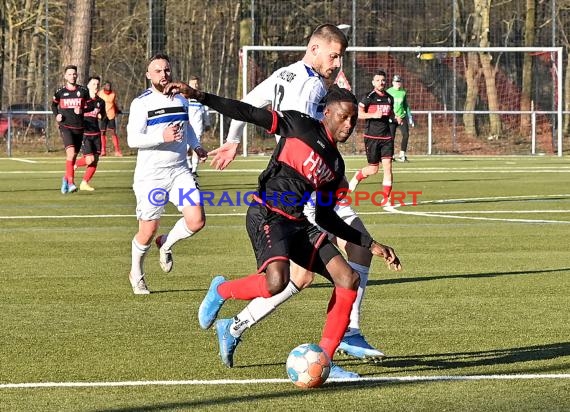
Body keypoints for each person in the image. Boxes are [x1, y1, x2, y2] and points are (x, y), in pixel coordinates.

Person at [166, 81, 402, 379]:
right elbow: (249, 112)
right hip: (267, 215)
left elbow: (327, 217)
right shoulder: (299, 124)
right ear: (327, 112)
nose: (349, 124)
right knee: (276, 282)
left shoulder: (335, 165)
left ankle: (324, 361)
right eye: (343, 116)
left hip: (299, 224)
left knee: (348, 278)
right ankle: (222, 290)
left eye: (354, 119)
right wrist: (200, 96)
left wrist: (370, 243)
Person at [208, 24, 386, 367]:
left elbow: (247, 104)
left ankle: (235, 325)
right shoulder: (308, 87)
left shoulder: (287, 74)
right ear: (315, 48)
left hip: (306, 179)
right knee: (349, 253)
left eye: (340, 57)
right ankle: (347, 332)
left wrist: (233, 140)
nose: (337, 63)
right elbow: (309, 133)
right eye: (334, 56)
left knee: (307, 274)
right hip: (306, 184)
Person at [126, 53, 208, 295]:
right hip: (151, 176)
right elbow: (132, 139)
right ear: (149, 75)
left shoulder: (181, 99)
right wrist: (161, 137)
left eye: (167, 70)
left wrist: (196, 145)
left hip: (179, 171)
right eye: (158, 71)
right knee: (147, 230)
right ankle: (136, 273)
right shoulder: (141, 103)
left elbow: (188, 127)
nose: (164, 75)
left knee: (197, 221)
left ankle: (166, 243)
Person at [348, 70, 398, 195]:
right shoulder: (368, 97)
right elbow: (359, 114)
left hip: (386, 137)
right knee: (373, 169)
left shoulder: (389, 98)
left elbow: (390, 113)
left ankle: (386, 198)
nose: (381, 83)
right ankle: (358, 176)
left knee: (388, 166)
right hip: (371, 137)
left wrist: (396, 117)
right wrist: (373, 115)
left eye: (383, 80)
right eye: (378, 80)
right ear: (373, 82)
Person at [52, 65, 91, 194]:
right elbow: (54, 104)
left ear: (77, 75)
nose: (72, 76)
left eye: (74, 74)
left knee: (73, 156)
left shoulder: (83, 91)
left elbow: (89, 106)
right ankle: (71, 183)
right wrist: (56, 114)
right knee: (71, 153)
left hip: (79, 128)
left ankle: (65, 178)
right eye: (69, 74)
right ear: (65, 76)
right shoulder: (60, 92)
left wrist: (82, 110)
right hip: (65, 126)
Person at [74, 76, 105, 191]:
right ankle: (74, 165)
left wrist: (102, 116)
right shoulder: (83, 100)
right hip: (85, 134)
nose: (96, 86)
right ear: (88, 86)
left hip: (96, 134)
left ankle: (84, 183)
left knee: (95, 160)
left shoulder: (100, 102)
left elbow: (103, 115)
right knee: (89, 160)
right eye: (93, 84)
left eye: (97, 84)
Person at [186, 75, 211, 177]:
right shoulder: (184, 97)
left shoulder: (201, 97)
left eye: (197, 83)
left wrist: (208, 123)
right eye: (193, 84)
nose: (195, 85)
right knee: (186, 148)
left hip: (197, 127)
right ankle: (189, 166)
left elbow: (206, 112)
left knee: (196, 147)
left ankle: (194, 170)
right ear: (189, 84)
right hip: (186, 126)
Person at [387, 74, 414, 162]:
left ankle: (402, 154)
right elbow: (387, 105)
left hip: (402, 117)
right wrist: (392, 115)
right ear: (393, 82)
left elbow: (405, 105)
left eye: (399, 81)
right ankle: (391, 155)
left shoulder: (403, 92)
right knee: (391, 137)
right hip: (392, 117)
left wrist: (409, 116)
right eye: (396, 81)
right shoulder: (388, 92)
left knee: (406, 134)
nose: (398, 83)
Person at [97, 81, 123, 156]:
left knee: (113, 132)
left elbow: (113, 103)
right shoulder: (100, 93)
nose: (109, 87)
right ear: (104, 86)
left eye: (109, 85)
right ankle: (103, 151)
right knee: (102, 132)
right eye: (107, 85)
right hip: (103, 115)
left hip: (111, 115)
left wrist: (117, 110)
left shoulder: (113, 94)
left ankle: (117, 151)